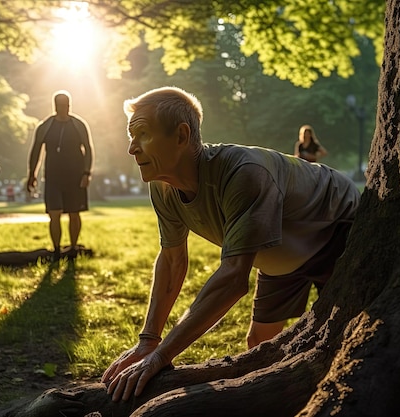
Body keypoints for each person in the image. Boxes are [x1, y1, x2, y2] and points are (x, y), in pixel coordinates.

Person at [101, 87, 360, 401]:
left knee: (347, 336)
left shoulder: (243, 173)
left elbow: (233, 279)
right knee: (261, 346)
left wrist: (160, 357)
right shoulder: (162, 187)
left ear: (181, 135)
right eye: (131, 135)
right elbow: (171, 261)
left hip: (334, 232)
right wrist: (148, 341)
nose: (131, 149)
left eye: (142, 134)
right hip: (277, 251)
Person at [27, 90, 94, 261]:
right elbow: (35, 151)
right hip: (53, 177)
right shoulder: (45, 126)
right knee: (54, 213)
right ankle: (56, 250)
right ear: (54, 106)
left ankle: (72, 247)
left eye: (65, 106)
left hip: (75, 176)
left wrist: (86, 173)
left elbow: (88, 149)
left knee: (74, 213)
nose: (62, 109)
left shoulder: (79, 125)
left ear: (69, 106)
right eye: (59, 106)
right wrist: (32, 175)